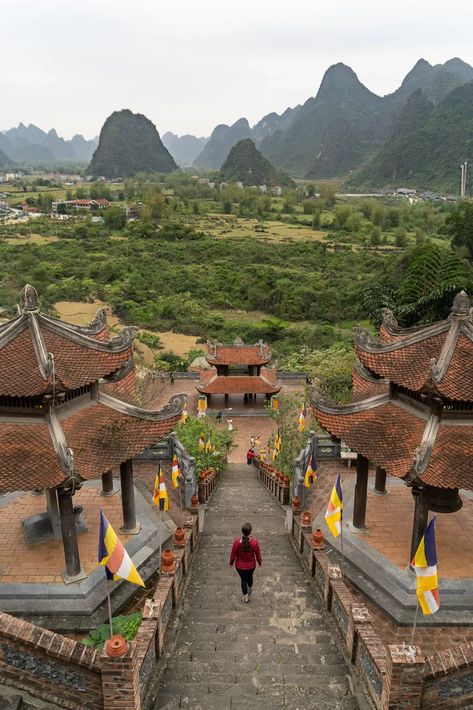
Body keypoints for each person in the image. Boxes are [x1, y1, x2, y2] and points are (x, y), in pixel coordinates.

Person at [229, 523, 262, 603]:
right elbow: (258, 554)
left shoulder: (237, 542)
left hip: (240, 566)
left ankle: (246, 597)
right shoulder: (254, 542)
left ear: (242, 531)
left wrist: (231, 563)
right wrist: (260, 563)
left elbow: (233, 554)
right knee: (250, 577)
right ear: (250, 531)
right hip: (251, 566)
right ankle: (250, 588)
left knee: (243, 580)